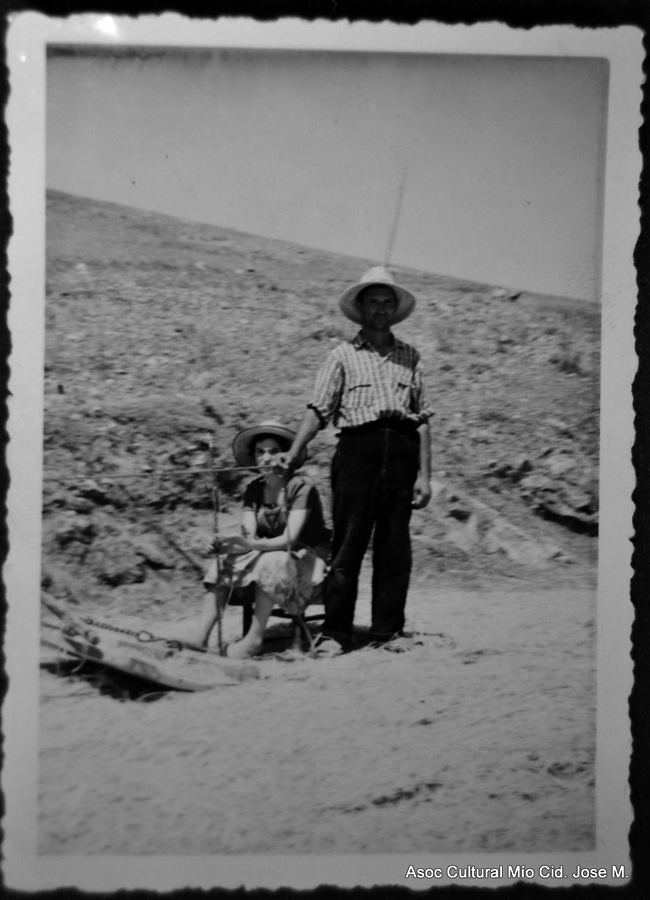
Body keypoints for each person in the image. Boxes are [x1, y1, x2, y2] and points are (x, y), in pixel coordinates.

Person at [282, 266, 432, 653]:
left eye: (387, 302)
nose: (380, 309)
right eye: (373, 302)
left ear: (395, 309)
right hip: (357, 453)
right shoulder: (341, 356)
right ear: (360, 309)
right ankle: (336, 633)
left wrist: (425, 477)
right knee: (348, 547)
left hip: (401, 454)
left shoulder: (411, 357)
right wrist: (297, 450)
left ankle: (388, 632)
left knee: (394, 550)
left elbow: (424, 421)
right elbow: (318, 408)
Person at [185, 421, 331, 658]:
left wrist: (250, 545)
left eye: (274, 451)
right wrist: (224, 543)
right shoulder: (253, 489)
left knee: (269, 561)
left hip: (308, 556)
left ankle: (254, 639)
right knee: (224, 561)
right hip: (269, 551)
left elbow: (289, 539)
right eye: (260, 452)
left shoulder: (301, 487)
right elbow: (248, 537)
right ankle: (201, 637)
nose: (266, 458)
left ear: (287, 455)